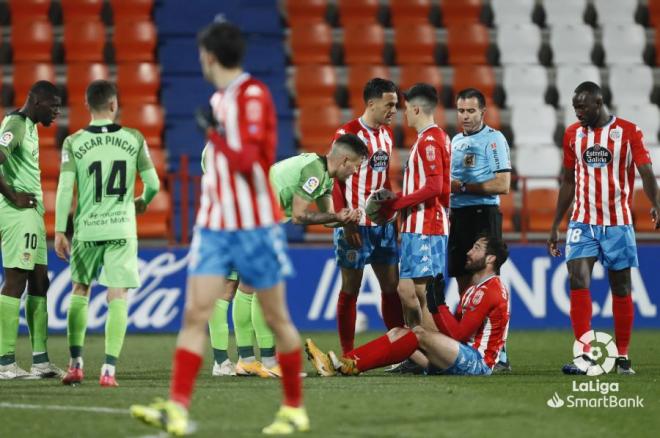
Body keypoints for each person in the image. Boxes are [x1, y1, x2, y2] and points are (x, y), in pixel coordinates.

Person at [130, 21, 309, 436]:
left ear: (209, 55)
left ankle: (294, 407)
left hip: (252, 225)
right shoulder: (220, 98)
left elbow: (249, 162)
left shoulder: (251, 97)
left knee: (277, 316)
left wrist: (212, 132)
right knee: (195, 312)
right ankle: (176, 408)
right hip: (215, 225)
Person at [548, 81, 660, 375]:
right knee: (577, 279)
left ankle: (622, 356)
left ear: (599, 103)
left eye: (582, 107)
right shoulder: (572, 134)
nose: (578, 113)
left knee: (621, 287)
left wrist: (657, 202)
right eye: (575, 108)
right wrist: (556, 222)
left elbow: (646, 172)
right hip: (582, 222)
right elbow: (568, 180)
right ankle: (584, 355)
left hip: (617, 223)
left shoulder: (628, 131)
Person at [54, 80, 160, 386]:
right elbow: (152, 184)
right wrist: (141, 203)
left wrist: (61, 229)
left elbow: (64, 190)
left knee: (80, 290)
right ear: (114, 105)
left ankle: (75, 364)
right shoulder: (134, 138)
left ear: (87, 106)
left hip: (86, 229)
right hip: (121, 228)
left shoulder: (73, 142)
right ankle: (109, 370)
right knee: (118, 295)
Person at [306, 235, 510, 377]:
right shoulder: (477, 288)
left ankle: (352, 365)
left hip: (477, 363)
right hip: (458, 355)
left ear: (490, 258)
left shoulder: (489, 290)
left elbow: (459, 334)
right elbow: (454, 331)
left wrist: (439, 305)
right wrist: (436, 305)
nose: (469, 252)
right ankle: (343, 362)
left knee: (418, 334)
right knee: (399, 331)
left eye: (476, 249)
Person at [332, 78, 405, 356]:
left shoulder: (386, 134)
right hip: (354, 226)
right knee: (351, 287)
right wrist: (345, 220)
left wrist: (393, 214)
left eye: (396, 105)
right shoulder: (347, 133)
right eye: (389, 104)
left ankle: (399, 352)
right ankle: (347, 353)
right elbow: (334, 182)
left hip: (383, 225)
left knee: (391, 287)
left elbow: (383, 178)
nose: (394, 110)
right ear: (371, 103)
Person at [0, 80, 62, 380]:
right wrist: (13, 196)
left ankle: (40, 361)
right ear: (36, 100)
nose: (57, 113)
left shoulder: (32, 127)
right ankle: (5, 362)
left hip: (32, 213)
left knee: (40, 281)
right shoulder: (16, 123)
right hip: (17, 212)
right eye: (54, 106)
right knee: (16, 279)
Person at [375, 83, 450, 331]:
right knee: (405, 290)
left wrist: (397, 203)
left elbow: (435, 186)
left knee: (424, 294)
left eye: (406, 108)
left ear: (417, 109)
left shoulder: (430, 140)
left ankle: (438, 357)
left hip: (426, 226)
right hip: (415, 226)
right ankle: (415, 352)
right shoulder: (428, 138)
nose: (403, 113)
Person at [448, 88, 512, 372]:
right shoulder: (455, 141)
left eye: (471, 111)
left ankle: (500, 354)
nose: (465, 116)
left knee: (486, 285)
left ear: (482, 112)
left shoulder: (494, 139)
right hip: (458, 215)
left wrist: (462, 187)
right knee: (464, 284)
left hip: (483, 214)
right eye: (461, 111)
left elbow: (503, 185)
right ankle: (469, 348)